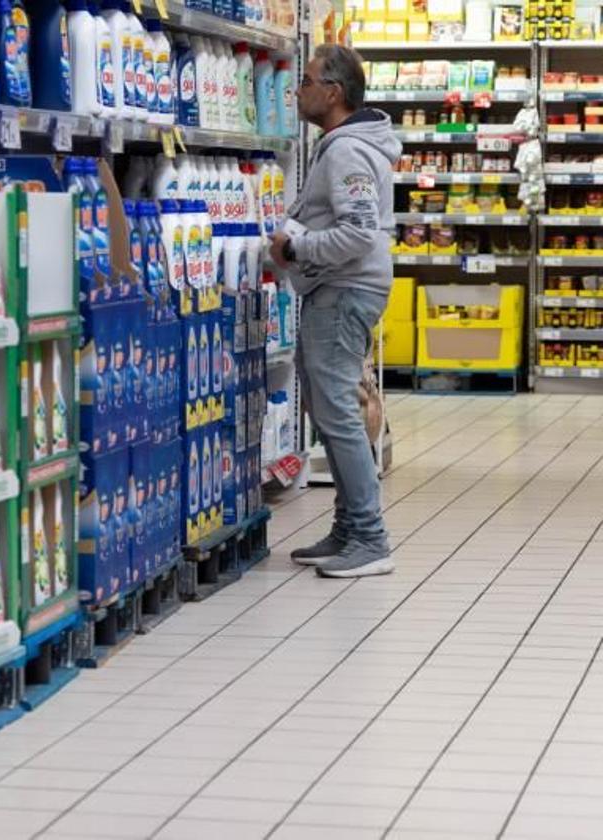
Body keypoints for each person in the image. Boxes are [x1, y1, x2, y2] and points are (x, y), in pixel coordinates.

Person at [269, 44, 400, 578]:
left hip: (345, 290)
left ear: (333, 92)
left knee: (339, 417)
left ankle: (369, 537)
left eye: (304, 81)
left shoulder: (347, 150)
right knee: (329, 411)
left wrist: (297, 248)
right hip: (336, 290)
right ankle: (349, 528)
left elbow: (359, 230)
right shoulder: (342, 144)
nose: (297, 91)